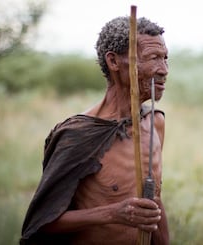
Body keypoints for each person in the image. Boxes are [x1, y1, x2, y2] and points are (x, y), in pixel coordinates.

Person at [20, 16, 169, 245]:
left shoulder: (154, 122)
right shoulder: (79, 136)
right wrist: (113, 213)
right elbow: (41, 224)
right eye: (152, 58)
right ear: (114, 61)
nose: (164, 70)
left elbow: (155, 204)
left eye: (165, 58)